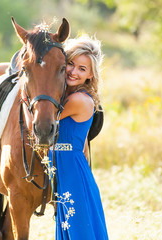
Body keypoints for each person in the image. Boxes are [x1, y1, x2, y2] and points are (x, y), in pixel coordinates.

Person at [49, 35, 109, 240]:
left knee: (78, 228)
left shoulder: (78, 100)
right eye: (71, 64)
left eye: (82, 69)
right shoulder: (68, 95)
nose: (73, 72)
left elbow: (42, 117)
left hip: (71, 168)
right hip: (64, 164)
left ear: (91, 75)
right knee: (69, 224)